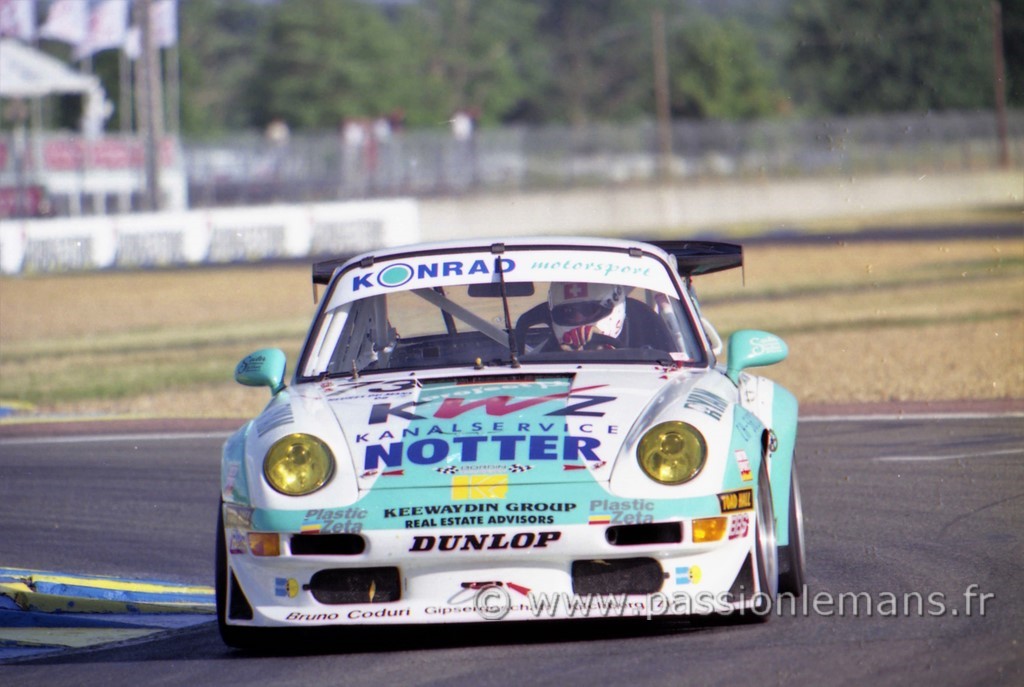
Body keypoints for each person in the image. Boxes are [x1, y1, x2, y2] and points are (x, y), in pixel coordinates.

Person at [548, 282, 627, 350]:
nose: (578, 319)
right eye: (568, 311)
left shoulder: (636, 354)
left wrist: (610, 353)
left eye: (588, 310)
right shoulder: (544, 358)